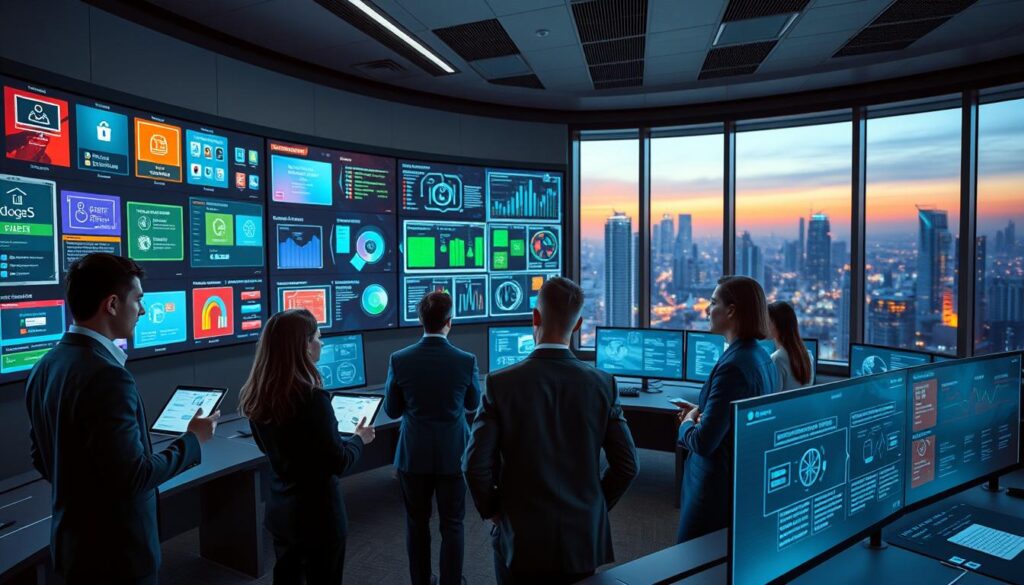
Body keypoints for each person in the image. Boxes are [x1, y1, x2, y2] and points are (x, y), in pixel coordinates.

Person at [25, 253, 218, 585]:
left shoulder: (45, 366)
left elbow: (42, 456)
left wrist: (82, 491)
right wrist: (193, 440)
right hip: (116, 557)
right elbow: (134, 477)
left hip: (74, 546)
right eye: (138, 299)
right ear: (112, 304)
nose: (142, 311)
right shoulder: (107, 376)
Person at [464, 277, 639, 585]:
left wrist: (494, 510)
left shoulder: (500, 384)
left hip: (520, 538)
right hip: (581, 539)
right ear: (578, 324)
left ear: (535, 317)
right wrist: (592, 507)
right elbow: (627, 466)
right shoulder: (603, 384)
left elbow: (474, 465)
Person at [239, 309, 375, 584]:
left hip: (282, 512)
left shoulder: (257, 396)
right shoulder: (312, 399)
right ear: (303, 345)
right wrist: (360, 438)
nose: (322, 343)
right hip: (319, 518)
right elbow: (338, 463)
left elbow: (271, 450)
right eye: (318, 337)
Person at [384, 291, 481, 585]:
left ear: (420, 320)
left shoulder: (399, 359)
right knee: (453, 524)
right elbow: (472, 404)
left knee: (417, 523)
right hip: (453, 454)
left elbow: (391, 409)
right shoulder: (466, 360)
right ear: (449, 322)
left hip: (413, 456)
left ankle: (421, 581)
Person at [676, 276, 779, 543]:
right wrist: (705, 409)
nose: (707, 310)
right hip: (740, 482)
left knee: (692, 564)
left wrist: (687, 421)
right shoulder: (762, 357)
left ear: (731, 310)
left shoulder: (733, 365)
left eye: (713, 303)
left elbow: (703, 442)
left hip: (712, 491)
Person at [767, 301, 815, 391]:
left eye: (767, 321)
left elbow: (773, 400)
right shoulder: (808, 356)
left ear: (775, 323)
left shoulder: (776, 359)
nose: (764, 325)